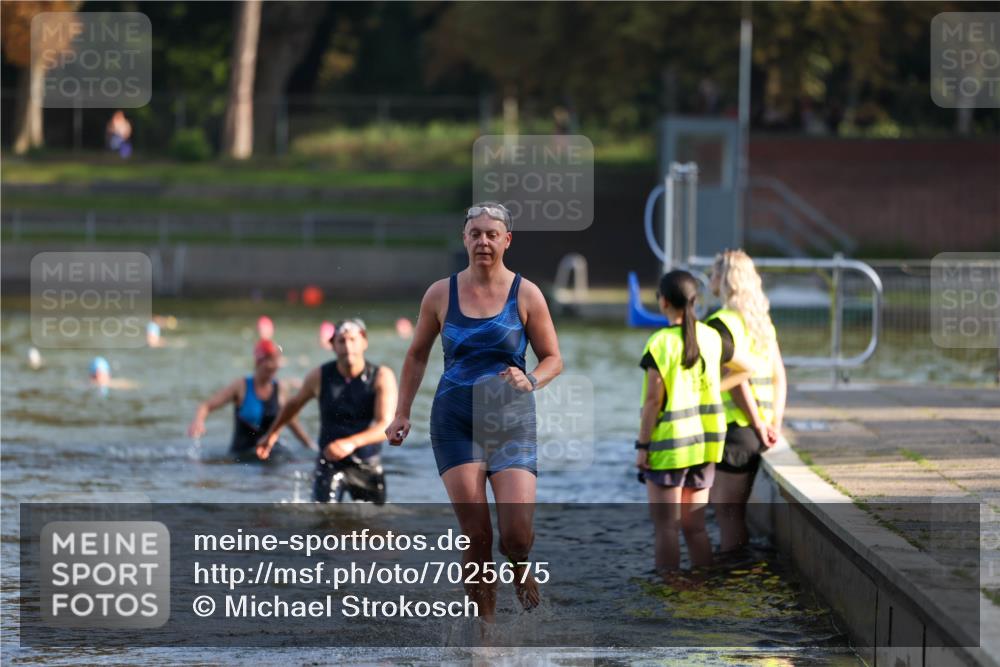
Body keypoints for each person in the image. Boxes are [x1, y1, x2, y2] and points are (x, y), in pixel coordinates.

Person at [385, 201, 563, 620]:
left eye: (491, 234)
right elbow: (416, 356)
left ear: (507, 240)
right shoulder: (440, 293)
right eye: (475, 233)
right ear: (465, 239)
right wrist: (401, 412)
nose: (483, 240)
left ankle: (520, 565)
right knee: (477, 535)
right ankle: (487, 637)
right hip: (455, 423)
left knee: (515, 535)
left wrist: (531, 379)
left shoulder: (527, 293)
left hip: (511, 423)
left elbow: (554, 358)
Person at [635, 270, 756, 574]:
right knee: (696, 527)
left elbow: (652, 402)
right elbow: (745, 369)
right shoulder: (711, 337)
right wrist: (715, 386)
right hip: (705, 446)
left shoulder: (660, 343)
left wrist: (642, 446)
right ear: (694, 301)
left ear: (663, 302)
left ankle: (669, 594)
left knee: (667, 528)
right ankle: (702, 590)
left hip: (669, 447)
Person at [256, 319, 397, 505]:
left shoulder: (381, 376)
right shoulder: (320, 376)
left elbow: (386, 426)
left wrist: (351, 443)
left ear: (364, 342)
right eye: (341, 341)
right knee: (325, 521)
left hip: (367, 464)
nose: (348, 346)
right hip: (329, 463)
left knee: (374, 526)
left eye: (353, 340)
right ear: (332, 345)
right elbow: (294, 404)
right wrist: (272, 433)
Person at [706, 250, 787, 553]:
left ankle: (731, 577)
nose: (710, 279)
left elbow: (736, 383)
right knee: (734, 514)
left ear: (725, 278)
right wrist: (773, 423)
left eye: (713, 273)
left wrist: (756, 423)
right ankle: (740, 573)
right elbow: (779, 376)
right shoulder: (762, 322)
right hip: (759, 429)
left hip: (735, 429)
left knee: (727, 514)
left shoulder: (721, 322)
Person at [187, 339, 314, 463]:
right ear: (258, 362)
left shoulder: (280, 388)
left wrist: (311, 447)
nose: (274, 366)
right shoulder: (241, 386)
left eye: (276, 362)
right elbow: (206, 406)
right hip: (241, 458)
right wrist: (198, 421)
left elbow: (290, 420)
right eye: (270, 361)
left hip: (272, 457)